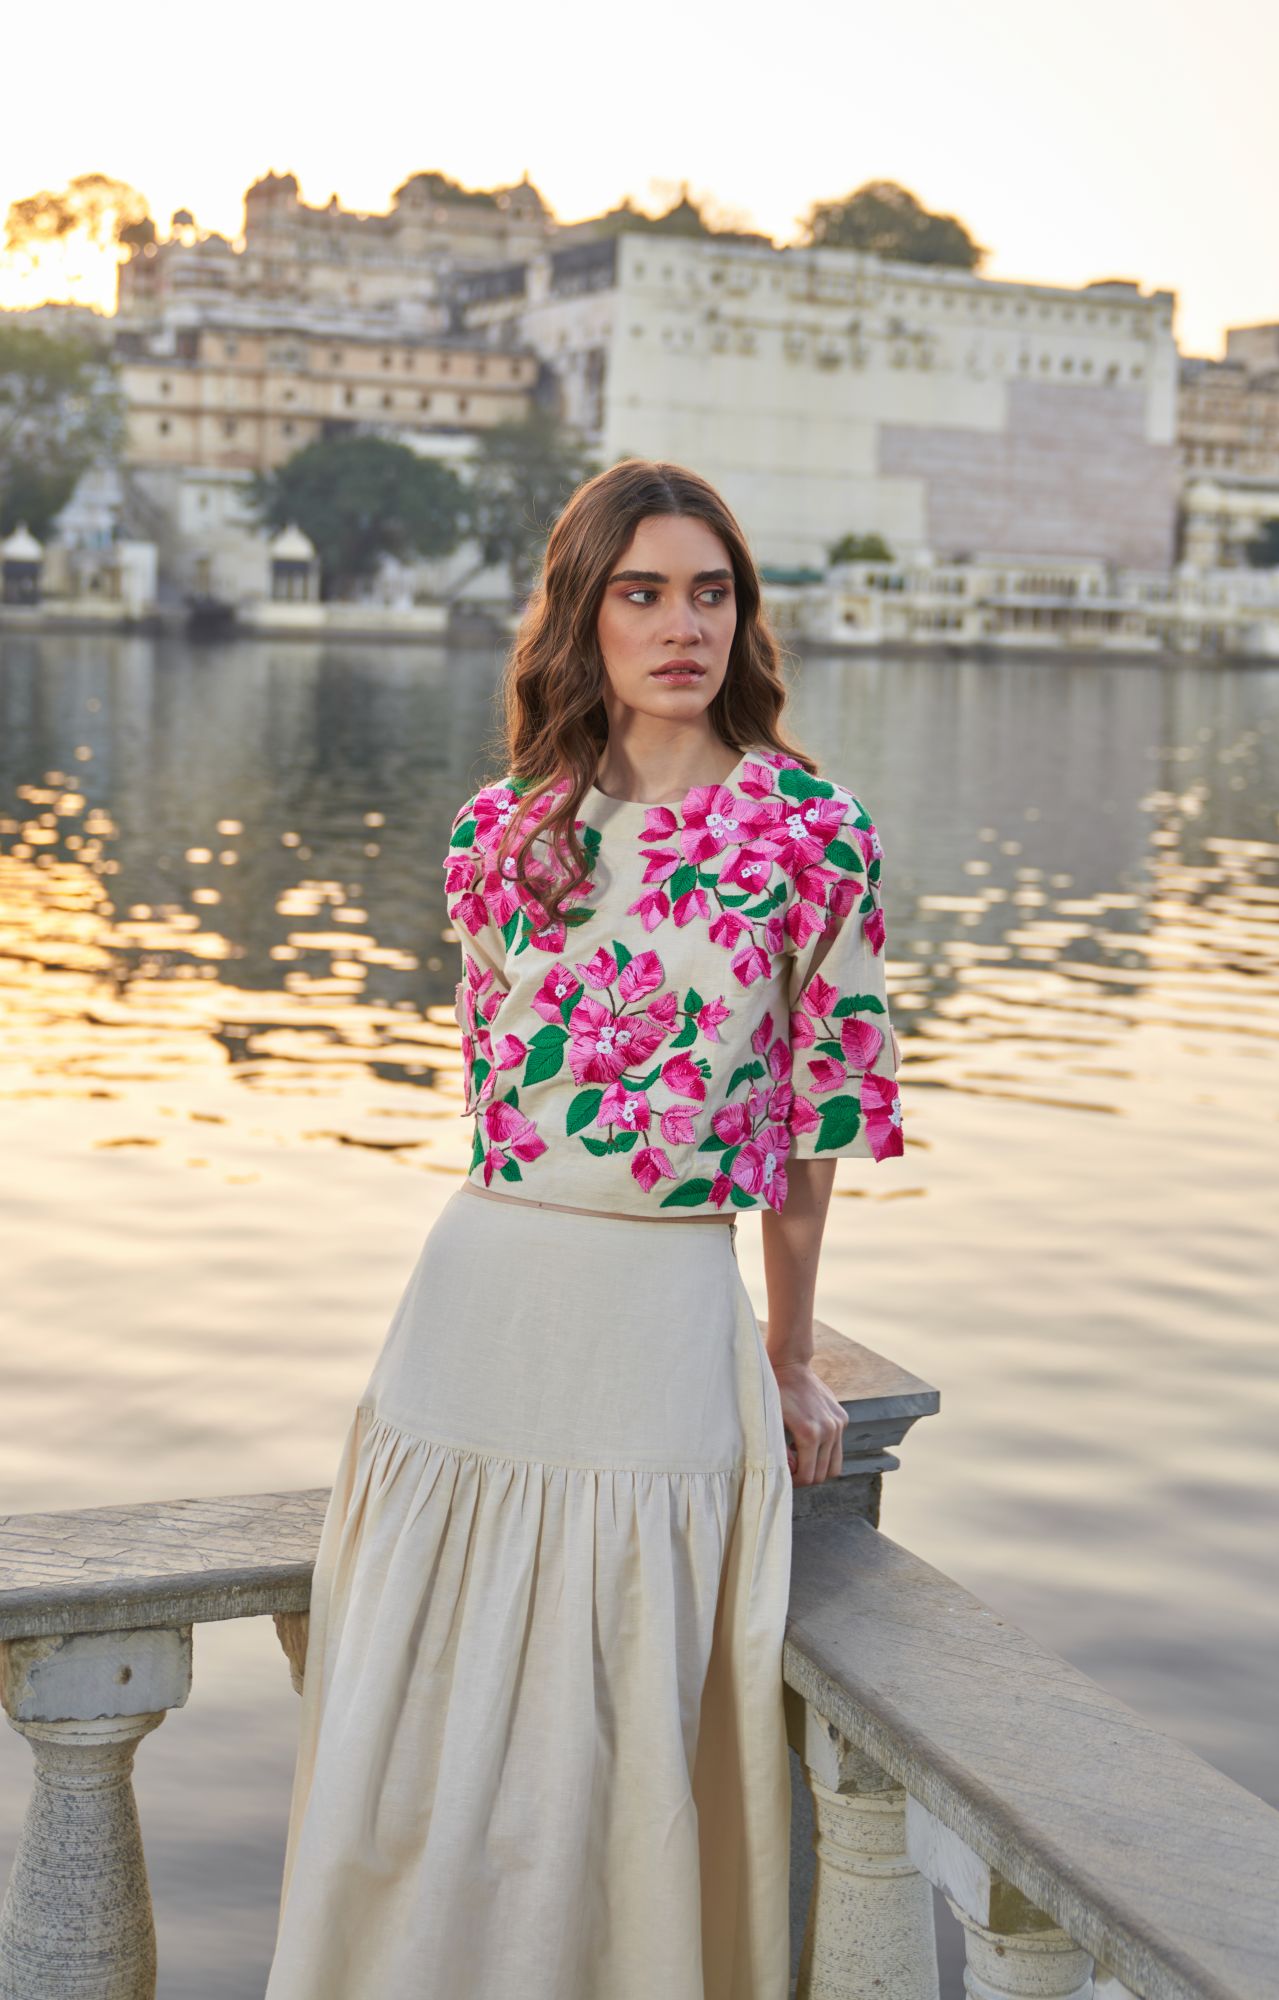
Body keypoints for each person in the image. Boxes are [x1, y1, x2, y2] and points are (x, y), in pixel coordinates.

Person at [264, 459, 904, 1999]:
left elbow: (818, 1124)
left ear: (742, 616)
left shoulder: (811, 828)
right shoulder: (503, 832)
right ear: (584, 616)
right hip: (476, 1310)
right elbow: (498, 1105)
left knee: (617, 1727)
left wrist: (792, 1352)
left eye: (709, 591)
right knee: (421, 1736)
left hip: (662, 1311)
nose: (680, 625)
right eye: (640, 593)